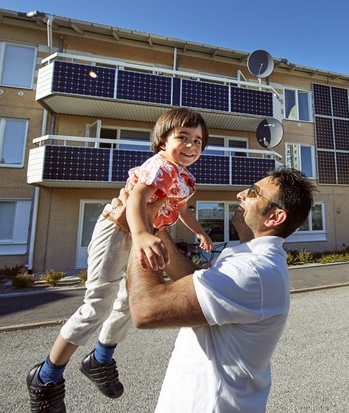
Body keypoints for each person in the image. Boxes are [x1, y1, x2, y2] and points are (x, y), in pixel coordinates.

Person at [27, 107, 211, 412]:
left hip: (144, 233)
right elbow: (138, 196)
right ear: (163, 141)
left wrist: (200, 231)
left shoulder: (185, 179)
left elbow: (180, 210)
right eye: (183, 138)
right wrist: (140, 234)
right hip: (118, 229)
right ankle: (46, 377)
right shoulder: (161, 166)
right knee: (98, 303)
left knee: (127, 302)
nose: (192, 146)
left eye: (198, 141)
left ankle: (100, 359)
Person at [126, 167, 316, 412]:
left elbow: (145, 309)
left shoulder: (252, 270)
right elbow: (192, 282)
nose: (240, 194)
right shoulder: (247, 260)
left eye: (253, 192)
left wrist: (138, 227)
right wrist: (155, 226)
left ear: (275, 218)